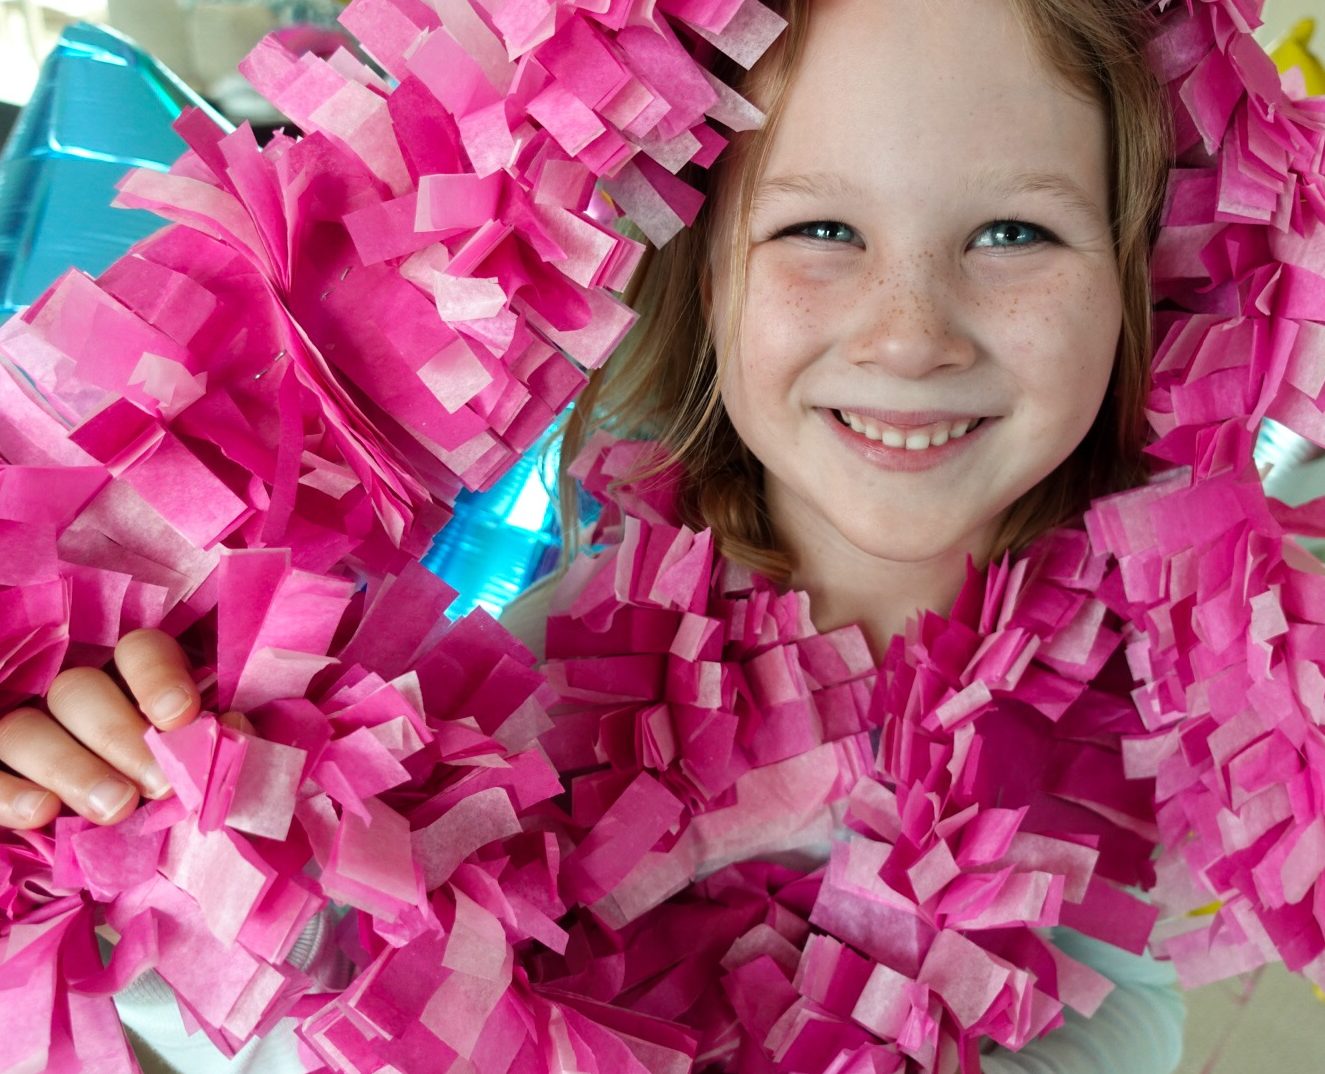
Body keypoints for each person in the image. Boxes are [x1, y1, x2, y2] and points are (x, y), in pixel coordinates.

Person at [0, 0, 1199, 1070]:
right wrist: (148, 843)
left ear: (1136, 273)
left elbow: (1128, 1003)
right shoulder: (554, 678)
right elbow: (312, 1005)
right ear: (704, 281)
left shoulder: (1177, 696)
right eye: (818, 231)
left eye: (1012, 233)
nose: (909, 335)